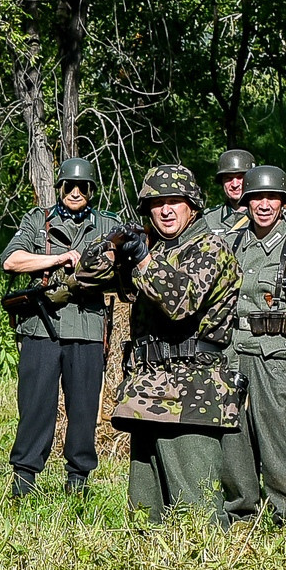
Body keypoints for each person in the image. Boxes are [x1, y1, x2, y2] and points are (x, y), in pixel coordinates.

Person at [75, 163, 243, 519]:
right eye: (155, 202)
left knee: (197, 511)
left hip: (193, 393)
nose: (165, 210)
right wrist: (112, 242)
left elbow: (179, 303)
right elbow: (87, 276)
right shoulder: (151, 249)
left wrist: (142, 258)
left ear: (192, 204)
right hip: (147, 392)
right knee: (145, 512)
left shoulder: (211, 248)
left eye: (174, 201)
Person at [1, 157, 124, 498]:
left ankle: (78, 483)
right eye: (68, 185)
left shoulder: (106, 226)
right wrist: (58, 258)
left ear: (92, 191)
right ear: (59, 188)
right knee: (35, 406)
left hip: (87, 327)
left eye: (82, 186)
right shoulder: (37, 221)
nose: (75, 191)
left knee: (84, 410)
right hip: (41, 326)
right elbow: (11, 261)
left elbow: (124, 270)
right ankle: (24, 482)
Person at [217, 165, 286, 527]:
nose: (263, 205)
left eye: (272, 197)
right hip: (234, 357)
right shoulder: (233, 244)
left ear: (284, 202)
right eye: (256, 197)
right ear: (245, 201)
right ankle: (241, 519)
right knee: (233, 445)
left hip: (277, 361)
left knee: (279, 447)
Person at [198, 149, 259, 234]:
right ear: (222, 182)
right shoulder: (209, 218)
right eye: (229, 178)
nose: (235, 184)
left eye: (240, 177)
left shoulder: (264, 216)